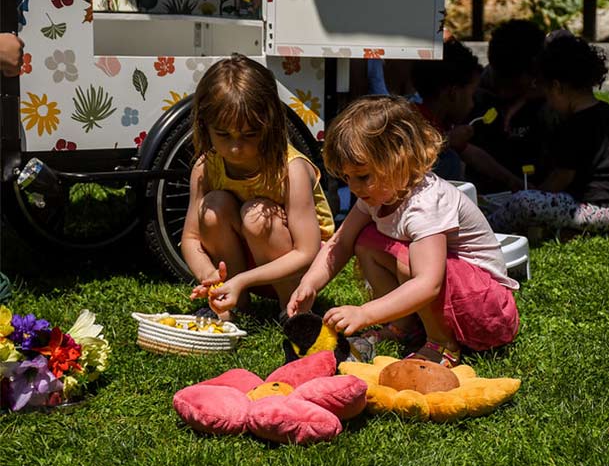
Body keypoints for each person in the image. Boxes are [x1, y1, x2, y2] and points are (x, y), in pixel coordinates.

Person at [286, 95, 520, 367]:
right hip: (455, 298)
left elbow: (428, 282)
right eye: (347, 178)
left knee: (411, 258)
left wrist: (365, 313)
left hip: (486, 312)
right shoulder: (378, 193)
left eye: (363, 176)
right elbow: (341, 243)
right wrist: (309, 285)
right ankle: (403, 327)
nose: (354, 187)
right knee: (365, 241)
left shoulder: (425, 204)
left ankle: (442, 345)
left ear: (400, 159)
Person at [181, 55, 334, 320]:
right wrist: (210, 276)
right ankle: (233, 303)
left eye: (249, 135)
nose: (235, 148)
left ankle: (292, 308)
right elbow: (191, 238)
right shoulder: (205, 167)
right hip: (242, 268)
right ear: (206, 125)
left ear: (269, 124)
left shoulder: (290, 169)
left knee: (256, 215)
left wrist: (244, 279)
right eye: (224, 135)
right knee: (212, 207)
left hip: (297, 272)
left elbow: (307, 252)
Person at [488, 33, 609, 235]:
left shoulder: (573, 126)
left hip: (589, 208)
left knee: (524, 202)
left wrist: (537, 192)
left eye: (547, 94)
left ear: (557, 87)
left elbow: (562, 177)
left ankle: (487, 228)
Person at [410, 39, 523, 188]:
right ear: (453, 93)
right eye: (471, 95)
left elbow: (473, 155)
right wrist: (446, 142)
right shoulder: (411, 122)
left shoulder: (442, 124)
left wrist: (514, 182)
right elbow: (406, 158)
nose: (472, 103)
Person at [469, 20, 558, 193]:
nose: (503, 93)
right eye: (501, 83)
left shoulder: (549, 92)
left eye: (512, 86)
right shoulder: (480, 90)